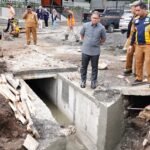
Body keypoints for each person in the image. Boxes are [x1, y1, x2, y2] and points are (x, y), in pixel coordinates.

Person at [80, 11, 106, 89]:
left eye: (96, 18)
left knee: (94, 67)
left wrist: (98, 43)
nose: (94, 19)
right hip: (85, 51)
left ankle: (93, 82)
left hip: (95, 52)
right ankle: (83, 81)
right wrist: (85, 42)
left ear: (99, 19)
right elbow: (81, 34)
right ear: (91, 18)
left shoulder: (101, 28)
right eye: (93, 18)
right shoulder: (85, 25)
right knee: (84, 67)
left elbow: (103, 38)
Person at [128, 2, 150, 84]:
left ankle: (149, 80)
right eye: (136, 10)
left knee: (148, 62)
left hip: (148, 45)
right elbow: (134, 32)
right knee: (138, 62)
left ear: (144, 9)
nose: (136, 12)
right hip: (138, 45)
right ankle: (139, 78)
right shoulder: (136, 20)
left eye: (138, 10)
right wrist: (131, 44)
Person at [123, 1, 140, 76]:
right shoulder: (133, 16)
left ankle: (136, 72)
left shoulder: (139, 17)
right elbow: (130, 28)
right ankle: (128, 69)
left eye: (132, 7)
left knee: (137, 55)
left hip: (136, 39)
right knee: (129, 53)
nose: (131, 9)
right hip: (130, 37)